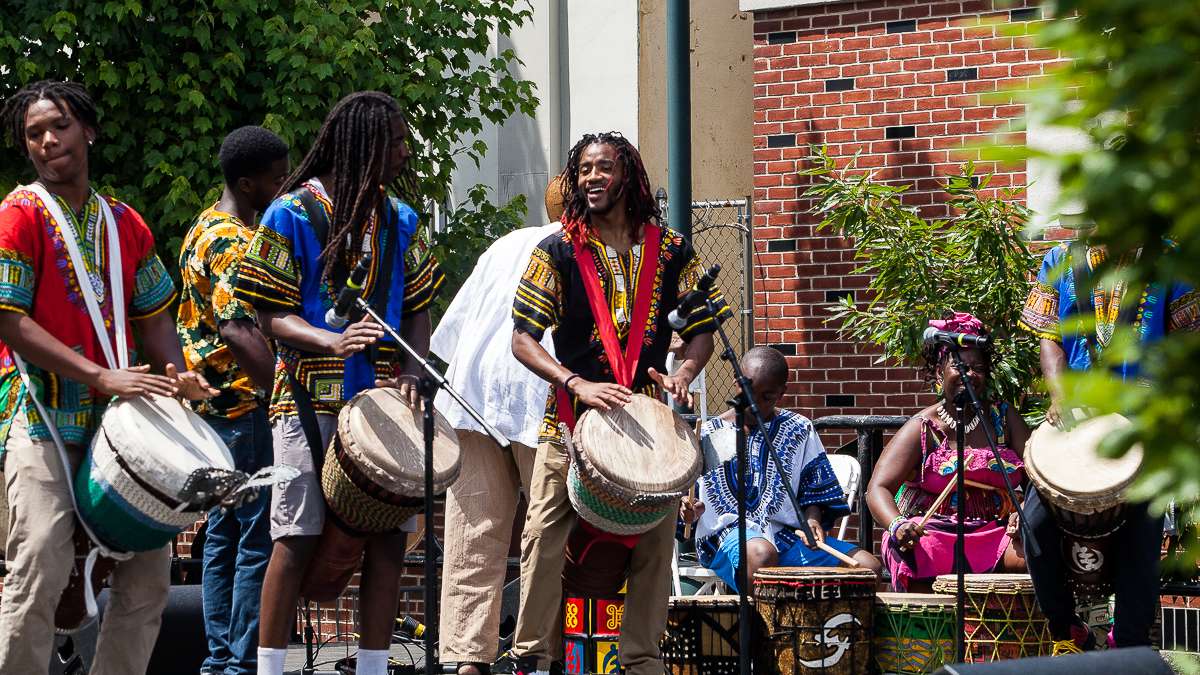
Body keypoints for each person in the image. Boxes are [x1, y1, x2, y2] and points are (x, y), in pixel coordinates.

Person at [0, 79, 214, 674]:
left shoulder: (126, 224)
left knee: (147, 577)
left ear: (88, 130)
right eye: (33, 133)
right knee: (40, 558)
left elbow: (157, 321)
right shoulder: (17, 216)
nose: (47, 140)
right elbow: (8, 320)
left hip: (119, 426)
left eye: (58, 126)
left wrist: (179, 381)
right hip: (41, 412)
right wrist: (100, 374)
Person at [233, 91, 443, 675]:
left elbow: (419, 308)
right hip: (306, 398)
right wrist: (329, 341)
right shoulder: (291, 214)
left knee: (389, 538)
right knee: (296, 534)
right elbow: (267, 313)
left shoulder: (402, 219)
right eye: (396, 141)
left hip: (383, 405)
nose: (405, 152)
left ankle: (373, 667)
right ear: (363, 144)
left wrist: (411, 369)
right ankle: (270, 668)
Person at [510, 131, 728, 675]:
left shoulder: (672, 249)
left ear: (627, 175)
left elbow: (704, 328)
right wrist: (574, 382)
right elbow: (522, 338)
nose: (591, 179)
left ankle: (642, 661)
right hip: (569, 424)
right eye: (583, 170)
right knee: (541, 534)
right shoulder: (556, 250)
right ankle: (532, 658)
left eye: (603, 168)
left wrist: (683, 372)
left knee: (655, 545)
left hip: (649, 426)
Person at [1019, 237, 1199, 653]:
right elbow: (1049, 335)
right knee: (1034, 525)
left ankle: (1128, 645)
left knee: (1143, 539)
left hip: (1140, 427)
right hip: (1077, 427)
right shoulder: (1061, 258)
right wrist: (1059, 392)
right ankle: (1066, 629)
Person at [433, 179, 562, 675]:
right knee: (545, 533)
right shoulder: (582, 248)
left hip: (473, 395)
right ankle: (538, 655)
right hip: (537, 396)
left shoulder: (505, 243)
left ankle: (468, 660)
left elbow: (453, 332)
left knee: (473, 533)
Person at [177, 125, 290, 675]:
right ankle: (238, 664)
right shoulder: (233, 241)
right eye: (276, 177)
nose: (284, 185)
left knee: (221, 539)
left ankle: (221, 660)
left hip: (214, 414)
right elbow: (237, 329)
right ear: (248, 184)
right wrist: (279, 387)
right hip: (244, 410)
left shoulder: (201, 226)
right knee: (255, 541)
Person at [680, 346, 880, 592]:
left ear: (782, 393)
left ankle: (827, 629)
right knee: (763, 555)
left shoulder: (799, 428)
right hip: (726, 538)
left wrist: (813, 519)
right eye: (748, 392)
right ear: (736, 383)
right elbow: (691, 503)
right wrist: (690, 511)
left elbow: (813, 488)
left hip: (788, 539)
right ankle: (767, 630)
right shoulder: (708, 434)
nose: (754, 404)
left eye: (766, 397)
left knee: (868, 568)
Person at [866, 312, 1029, 593]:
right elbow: (877, 488)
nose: (970, 374)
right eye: (959, 366)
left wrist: (1026, 509)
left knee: (1033, 551)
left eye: (978, 367)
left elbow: (1039, 476)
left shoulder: (1004, 418)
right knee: (915, 550)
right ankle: (928, 636)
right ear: (940, 372)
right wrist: (897, 525)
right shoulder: (924, 426)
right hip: (936, 533)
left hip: (999, 531)